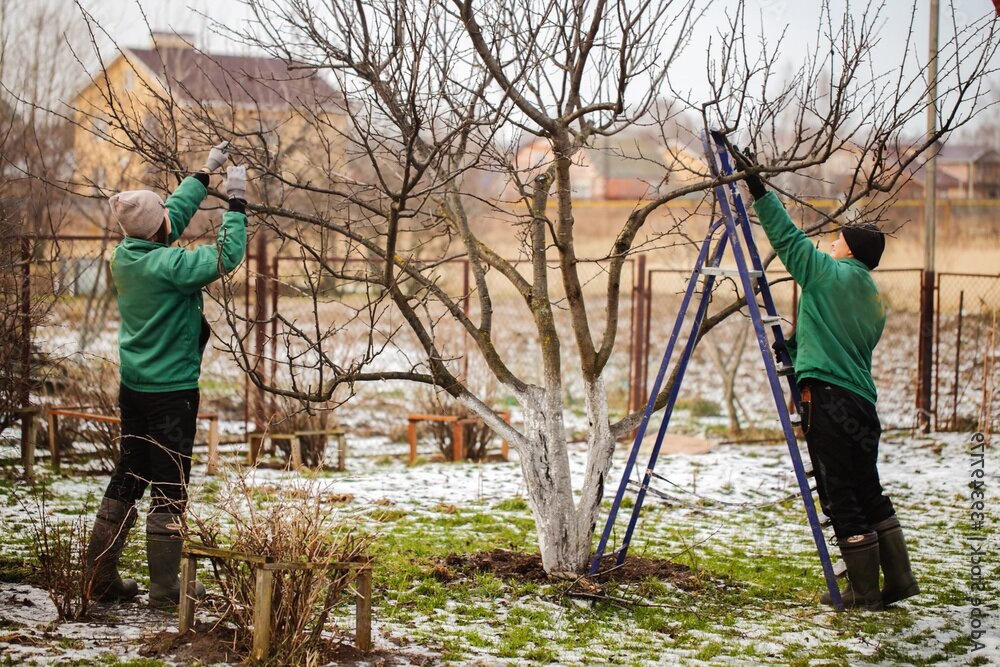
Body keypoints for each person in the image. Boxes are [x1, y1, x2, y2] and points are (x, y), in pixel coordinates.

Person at [733, 146, 919, 611]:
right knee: (867, 487)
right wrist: (797, 351)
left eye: (837, 240)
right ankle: (898, 580)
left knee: (840, 494)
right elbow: (839, 339)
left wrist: (757, 187)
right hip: (861, 404)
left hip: (830, 403)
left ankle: (862, 591)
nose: (830, 244)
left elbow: (789, 238)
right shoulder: (874, 299)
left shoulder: (827, 274)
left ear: (850, 249)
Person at [84, 142, 248, 609]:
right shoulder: (170, 267)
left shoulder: (127, 256)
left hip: (134, 387)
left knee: (130, 471)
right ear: (157, 230)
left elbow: (167, 215)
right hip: (172, 393)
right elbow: (225, 255)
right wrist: (236, 202)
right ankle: (166, 589)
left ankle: (100, 577)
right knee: (171, 483)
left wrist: (205, 172)